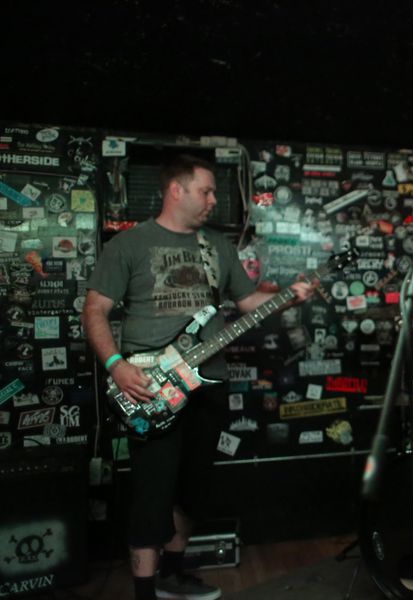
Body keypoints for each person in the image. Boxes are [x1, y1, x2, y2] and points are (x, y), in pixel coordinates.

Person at [83, 154, 314, 600]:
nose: (213, 200)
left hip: (207, 386)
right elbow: (95, 310)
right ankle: (145, 593)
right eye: (206, 191)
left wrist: (289, 296)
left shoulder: (217, 248)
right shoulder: (129, 245)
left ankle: (172, 575)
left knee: (194, 490)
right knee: (152, 494)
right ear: (177, 190)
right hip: (150, 387)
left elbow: (247, 304)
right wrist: (117, 365)